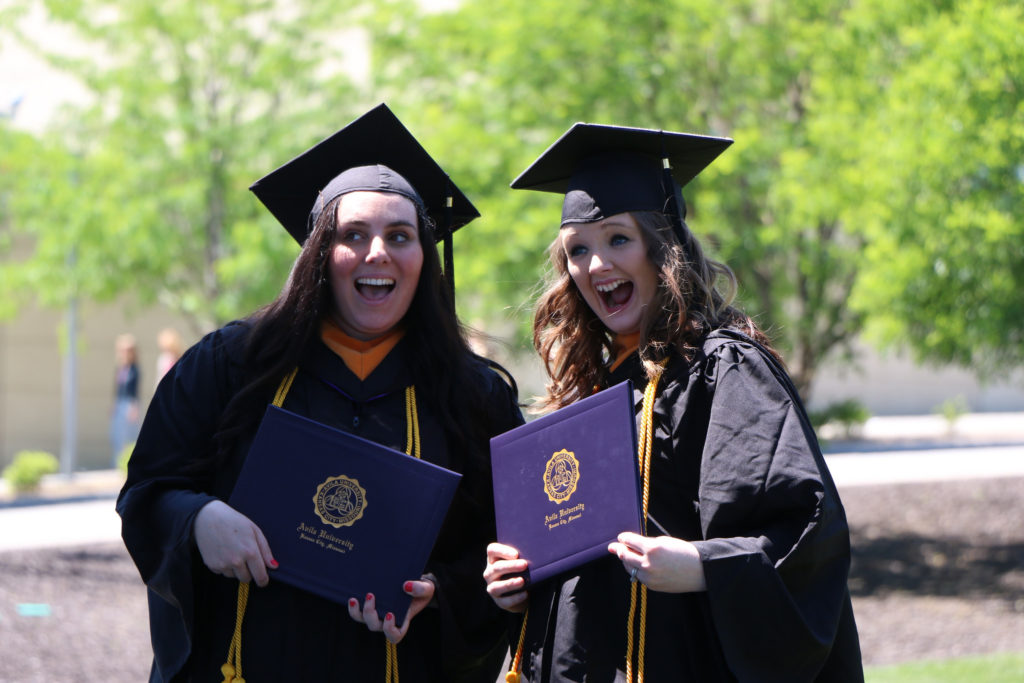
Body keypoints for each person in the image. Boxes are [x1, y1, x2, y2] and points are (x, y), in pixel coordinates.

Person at [117, 104, 524, 683]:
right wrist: (197, 518)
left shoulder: (471, 396)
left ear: (423, 258)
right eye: (352, 235)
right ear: (318, 257)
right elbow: (150, 493)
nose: (376, 252)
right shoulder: (231, 365)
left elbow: (503, 548)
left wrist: (438, 591)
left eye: (399, 236)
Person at [484, 123, 863, 682]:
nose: (595, 265)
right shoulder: (585, 392)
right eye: (578, 250)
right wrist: (520, 585)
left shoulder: (722, 369)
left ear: (661, 247)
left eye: (618, 239)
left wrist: (703, 566)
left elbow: (808, 532)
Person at [110, 333, 141, 467]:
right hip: (119, 403)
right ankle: (118, 464)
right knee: (116, 435)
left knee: (129, 437)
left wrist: (133, 407)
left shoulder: (135, 369)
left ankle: (127, 465)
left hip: (129, 404)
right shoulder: (121, 368)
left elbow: (134, 390)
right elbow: (117, 388)